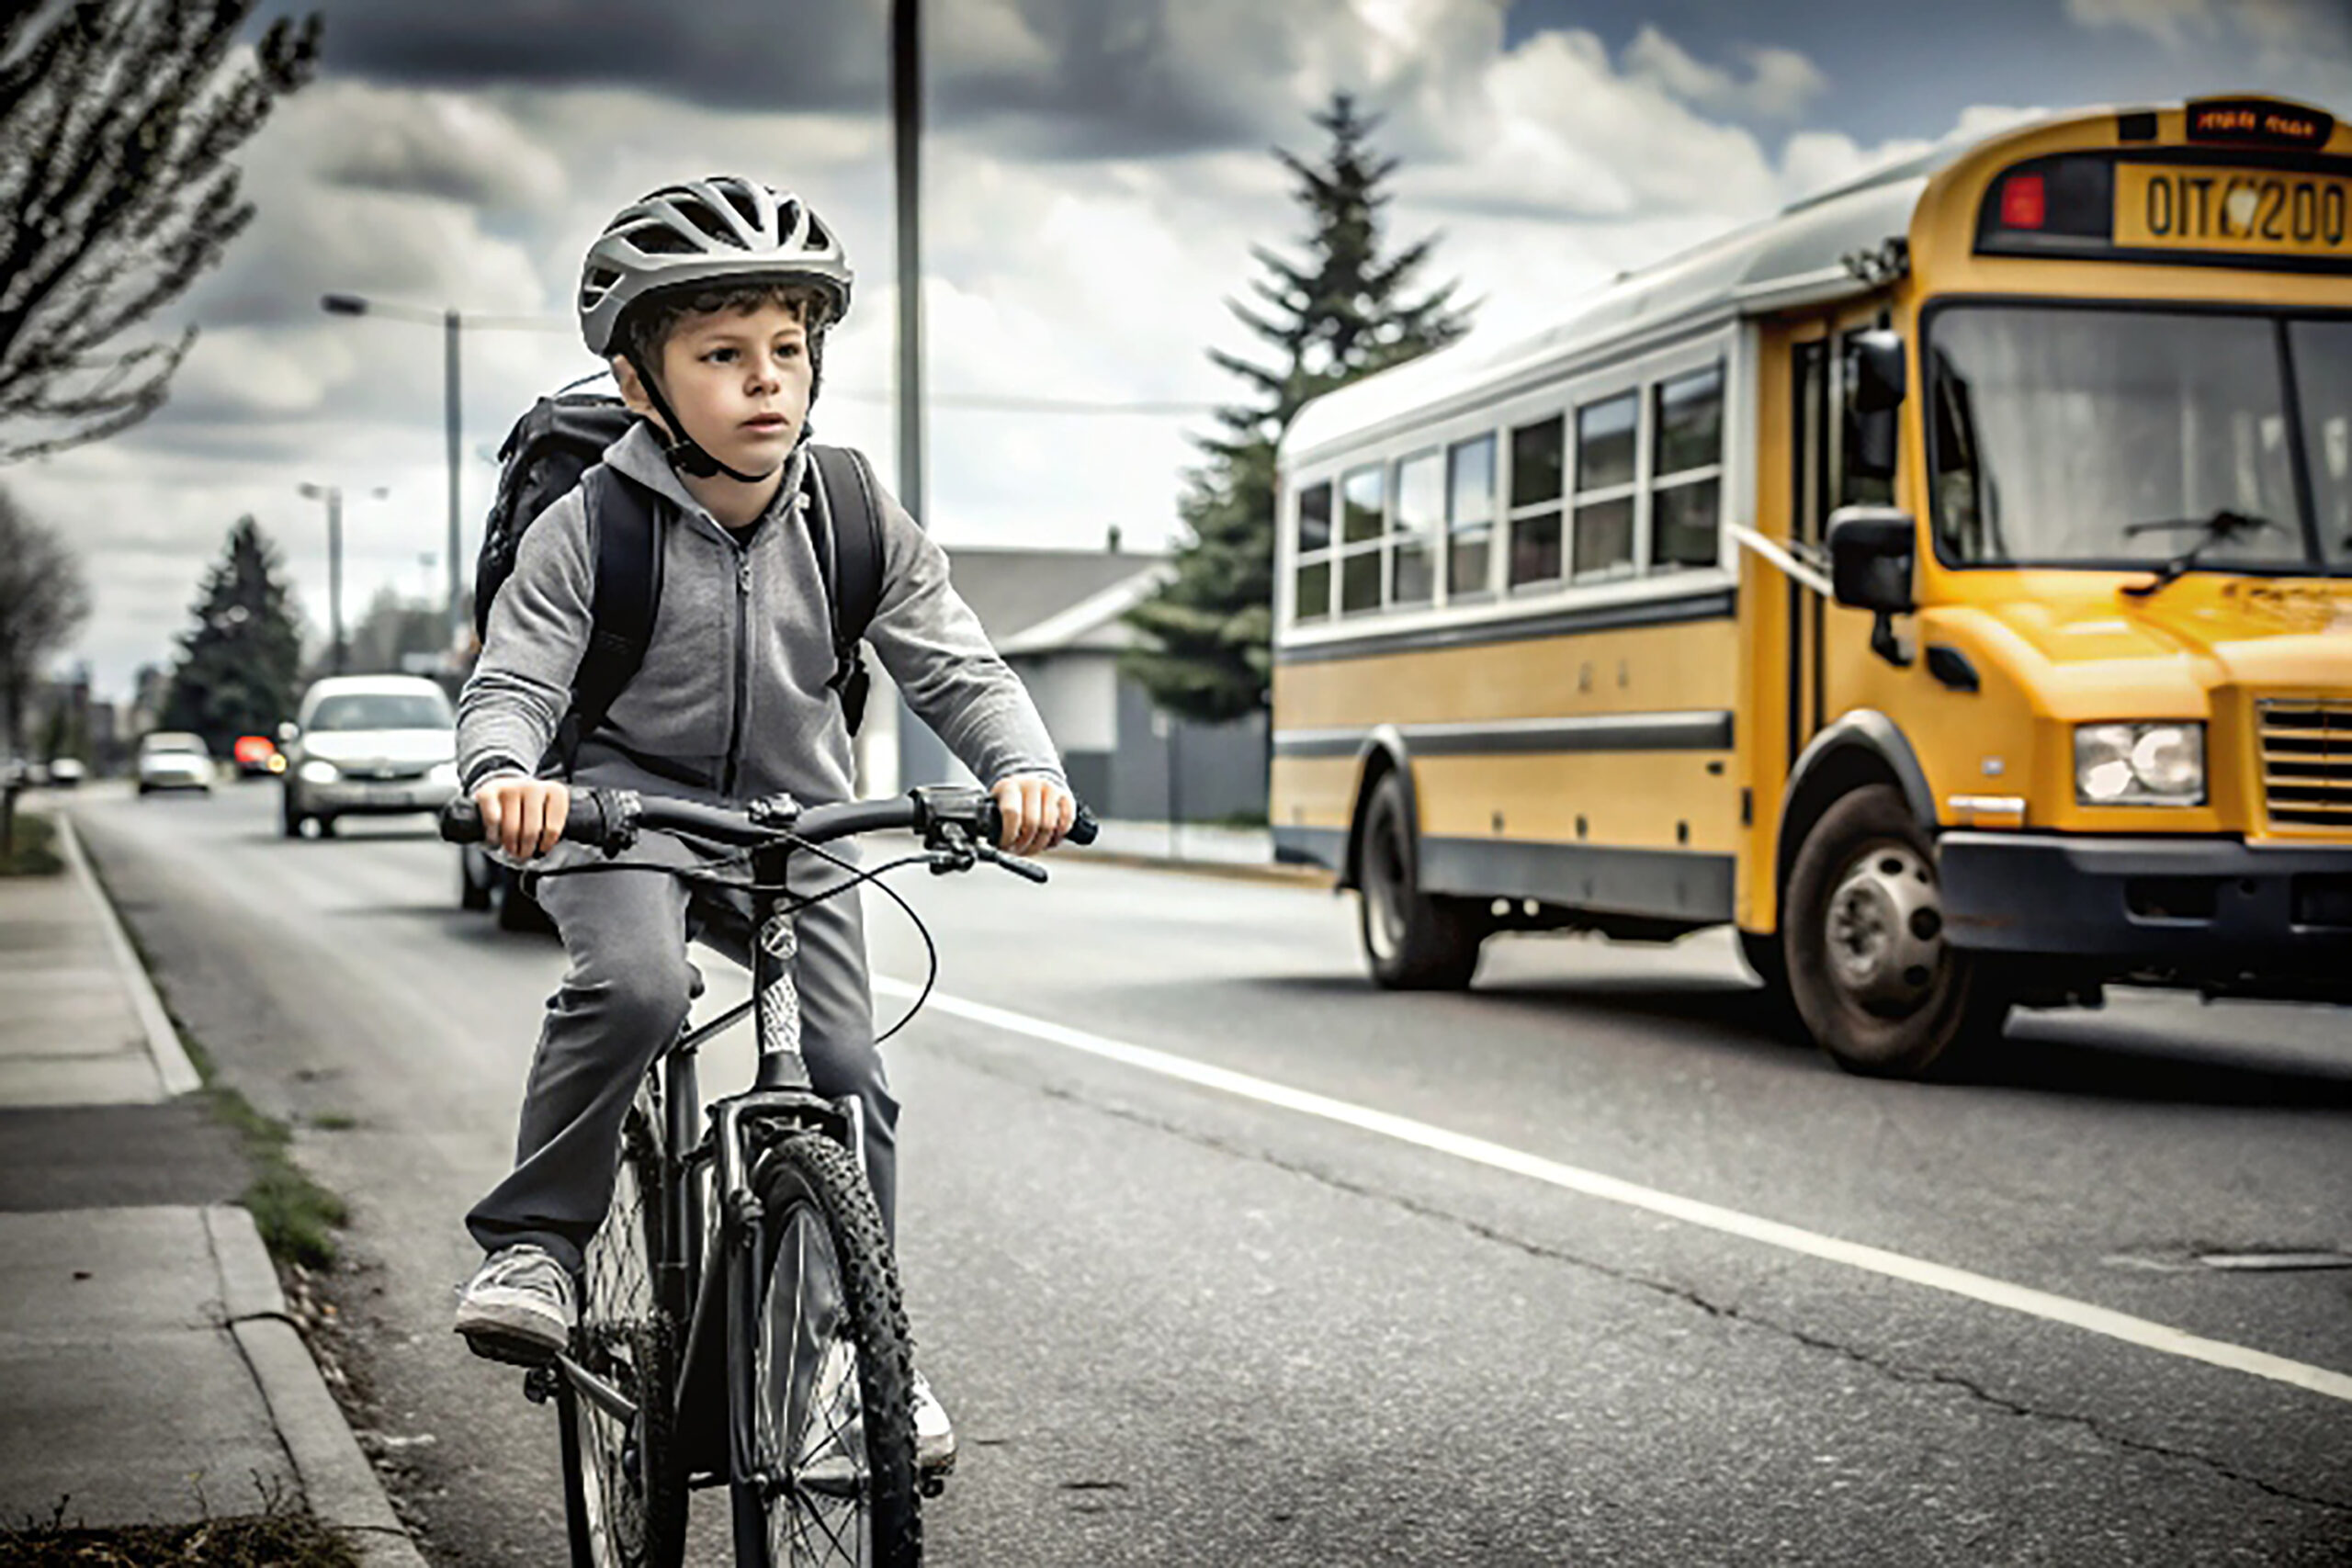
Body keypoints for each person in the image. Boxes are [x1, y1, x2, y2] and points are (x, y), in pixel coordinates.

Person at [449, 175, 1075, 1478]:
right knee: (632, 988)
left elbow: (956, 666)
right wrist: (509, 771)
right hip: (626, 815)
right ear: (641, 384)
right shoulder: (590, 526)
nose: (763, 381)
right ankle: (540, 1243)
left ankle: (840, 1362)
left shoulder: (851, 514)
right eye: (721, 356)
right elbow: (513, 681)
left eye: (785, 351)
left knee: (844, 1076)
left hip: (800, 826)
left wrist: (1025, 771)